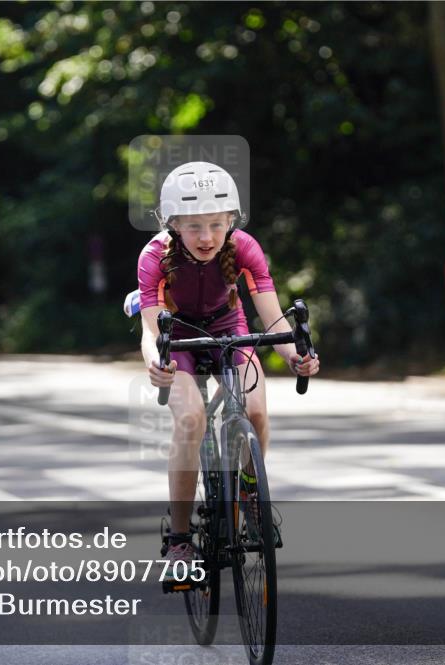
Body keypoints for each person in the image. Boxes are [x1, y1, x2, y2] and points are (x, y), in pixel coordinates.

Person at [136, 162, 320, 567]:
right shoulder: (153, 257)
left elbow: (272, 317)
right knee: (190, 420)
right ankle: (180, 538)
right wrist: (156, 364)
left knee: (254, 409)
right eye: (195, 227)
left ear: (231, 222)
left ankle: (251, 496)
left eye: (217, 225)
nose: (207, 237)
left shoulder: (245, 248)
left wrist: (295, 356)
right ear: (173, 226)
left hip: (228, 330)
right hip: (178, 339)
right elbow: (152, 332)